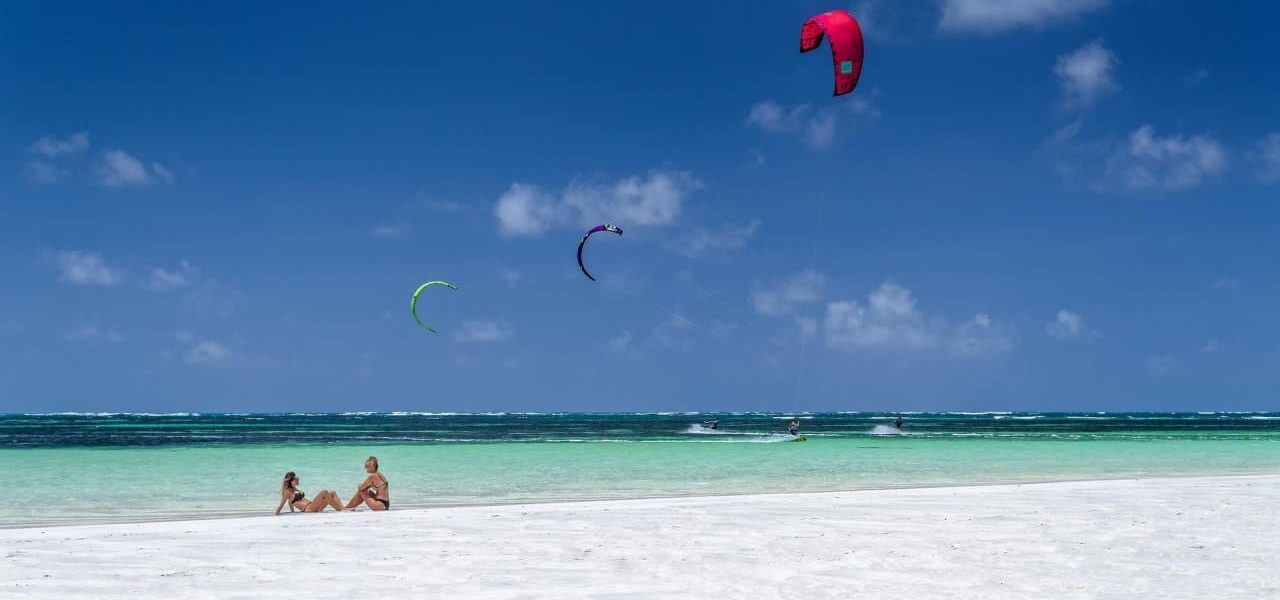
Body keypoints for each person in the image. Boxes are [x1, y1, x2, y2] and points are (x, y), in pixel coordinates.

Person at [275, 471, 344, 515]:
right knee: (324, 492)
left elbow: (291, 503)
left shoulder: (295, 489)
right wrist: (276, 514)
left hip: (314, 506)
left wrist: (292, 511)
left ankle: (342, 508)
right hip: (309, 509)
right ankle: (340, 509)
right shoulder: (287, 491)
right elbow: (281, 505)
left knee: (332, 492)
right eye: (296, 479)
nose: (298, 479)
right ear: (291, 481)